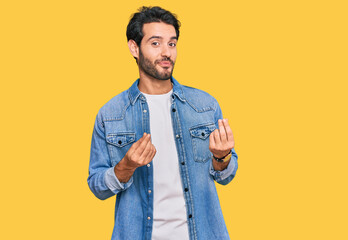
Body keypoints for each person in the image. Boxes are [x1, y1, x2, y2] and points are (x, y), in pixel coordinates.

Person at [87, 6, 238, 240]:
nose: (166, 52)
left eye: (172, 43)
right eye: (155, 43)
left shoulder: (205, 105)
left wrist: (221, 157)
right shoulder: (111, 114)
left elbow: (226, 175)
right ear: (134, 48)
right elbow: (97, 186)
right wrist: (125, 167)